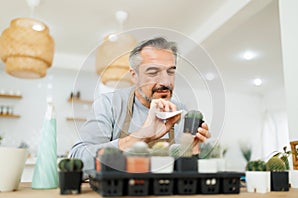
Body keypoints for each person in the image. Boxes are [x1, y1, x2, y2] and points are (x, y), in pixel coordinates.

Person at [69, 37, 210, 173]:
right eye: (153, 72)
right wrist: (140, 136)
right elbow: (77, 158)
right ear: (134, 75)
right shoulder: (109, 105)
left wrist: (194, 151)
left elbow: (183, 170)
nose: (166, 82)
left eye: (170, 72)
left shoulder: (181, 111)